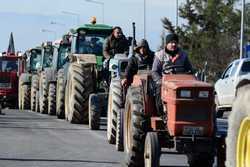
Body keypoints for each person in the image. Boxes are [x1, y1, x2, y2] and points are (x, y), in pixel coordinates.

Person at [152, 33, 193, 115]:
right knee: (159, 90)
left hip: (181, 81)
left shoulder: (183, 55)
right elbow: (154, 71)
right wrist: (160, 81)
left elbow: (190, 70)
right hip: (165, 81)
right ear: (167, 44)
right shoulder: (160, 55)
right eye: (171, 42)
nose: (173, 44)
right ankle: (162, 113)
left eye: (175, 42)